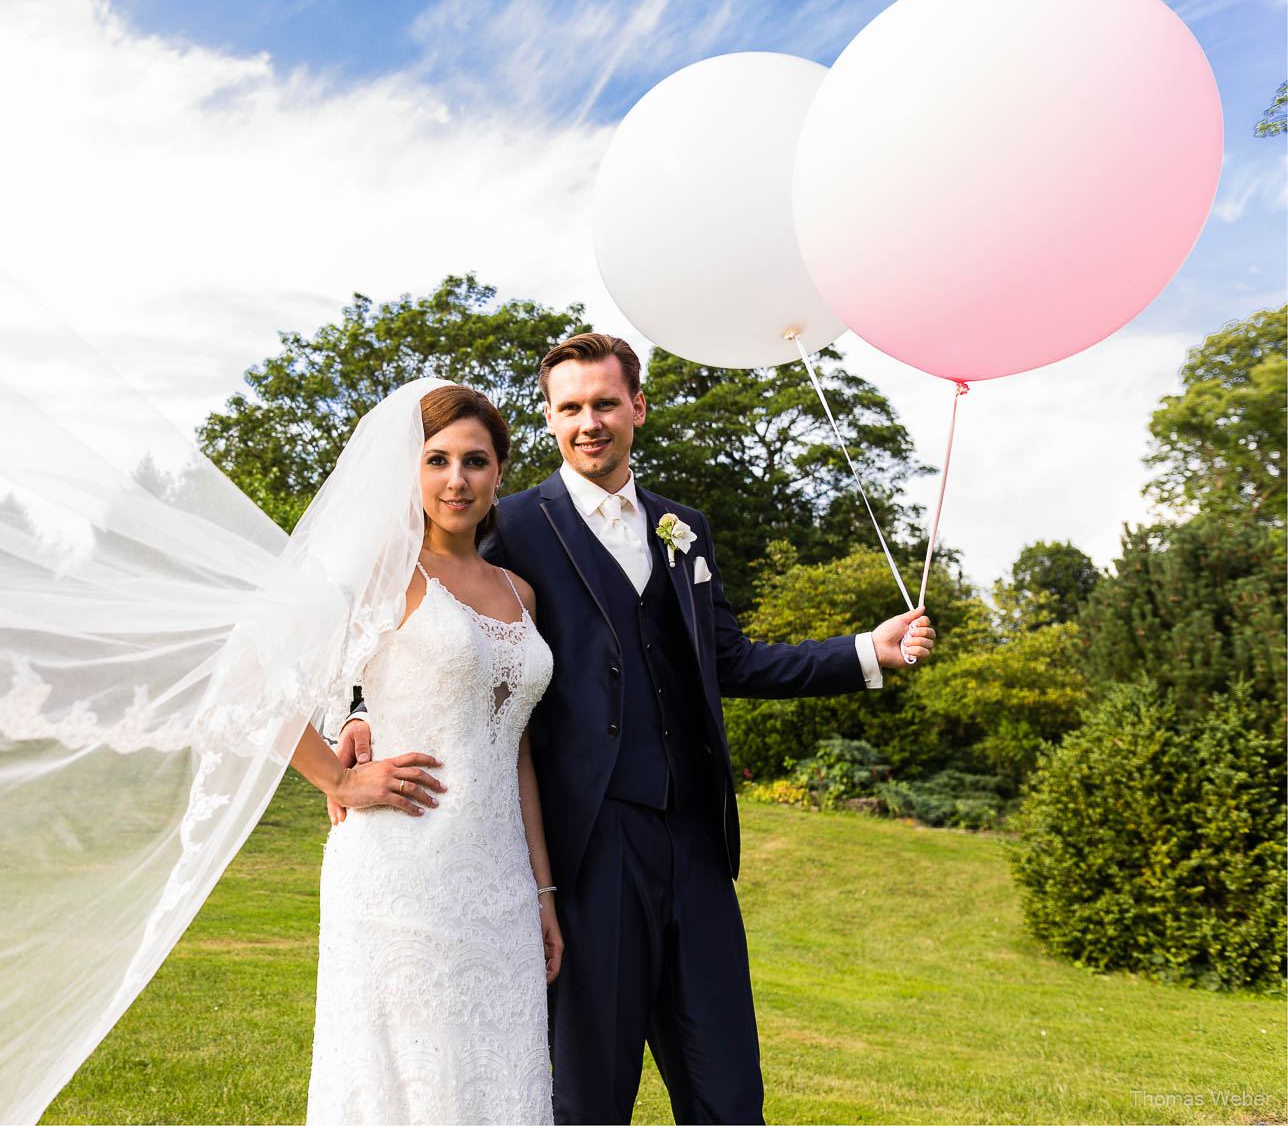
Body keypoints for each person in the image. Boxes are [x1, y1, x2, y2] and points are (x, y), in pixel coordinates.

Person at [335, 334, 936, 1125]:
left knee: (729, 1090)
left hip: (694, 840)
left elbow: (734, 659)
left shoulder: (683, 528)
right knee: (592, 1093)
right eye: (571, 407)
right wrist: (354, 713)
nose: (590, 422)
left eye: (606, 403)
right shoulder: (504, 523)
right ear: (550, 421)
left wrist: (865, 650)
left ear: (637, 407)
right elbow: (412, 613)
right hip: (588, 848)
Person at [288, 383, 561, 1125]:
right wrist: (340, 775)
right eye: (436, 459)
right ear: (410, 470)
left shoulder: (521, 594)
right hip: (399, 874)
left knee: (500, 1088)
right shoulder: (382, 573)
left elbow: (519, 755)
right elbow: (257, 688)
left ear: (499, 471)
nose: (456, 479)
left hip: (500, 887)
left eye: (475, 460)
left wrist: (542, 895)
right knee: (407, 1091)